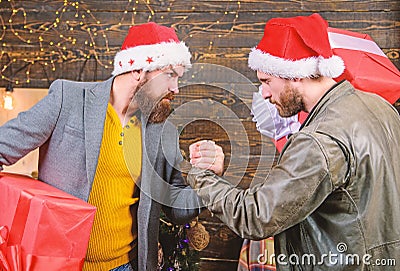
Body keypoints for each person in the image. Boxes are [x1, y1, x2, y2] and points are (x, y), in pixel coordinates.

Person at [188, 13, 400, 270]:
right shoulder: (381, 107)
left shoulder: (318, 140)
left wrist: (201, 176)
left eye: (266, 81)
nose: (264, 94)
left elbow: (255, 216)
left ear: (296, 74)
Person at [0, 22, 201, 271]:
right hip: (59, 265)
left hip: (125, 267)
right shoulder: (68, 99)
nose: (175, 89)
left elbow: (177, 209)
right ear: (139, 70)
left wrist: (209, 178)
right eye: (170, 75)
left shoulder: (163, 131)